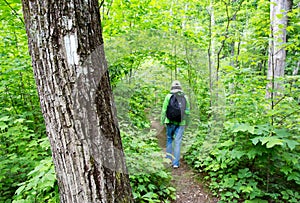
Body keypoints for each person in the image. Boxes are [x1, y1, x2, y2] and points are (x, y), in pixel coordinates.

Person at [161, 80, 190, 168]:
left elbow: (164, 110)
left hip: (169, 122)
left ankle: (168, 160)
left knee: (169, 139)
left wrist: (162, 121)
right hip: (181, 122)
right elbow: (188, 112)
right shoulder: (185, 97)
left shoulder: (168, 96)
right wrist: (187, 123)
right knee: (177, 142)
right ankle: (176, 163)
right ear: (180, 88)